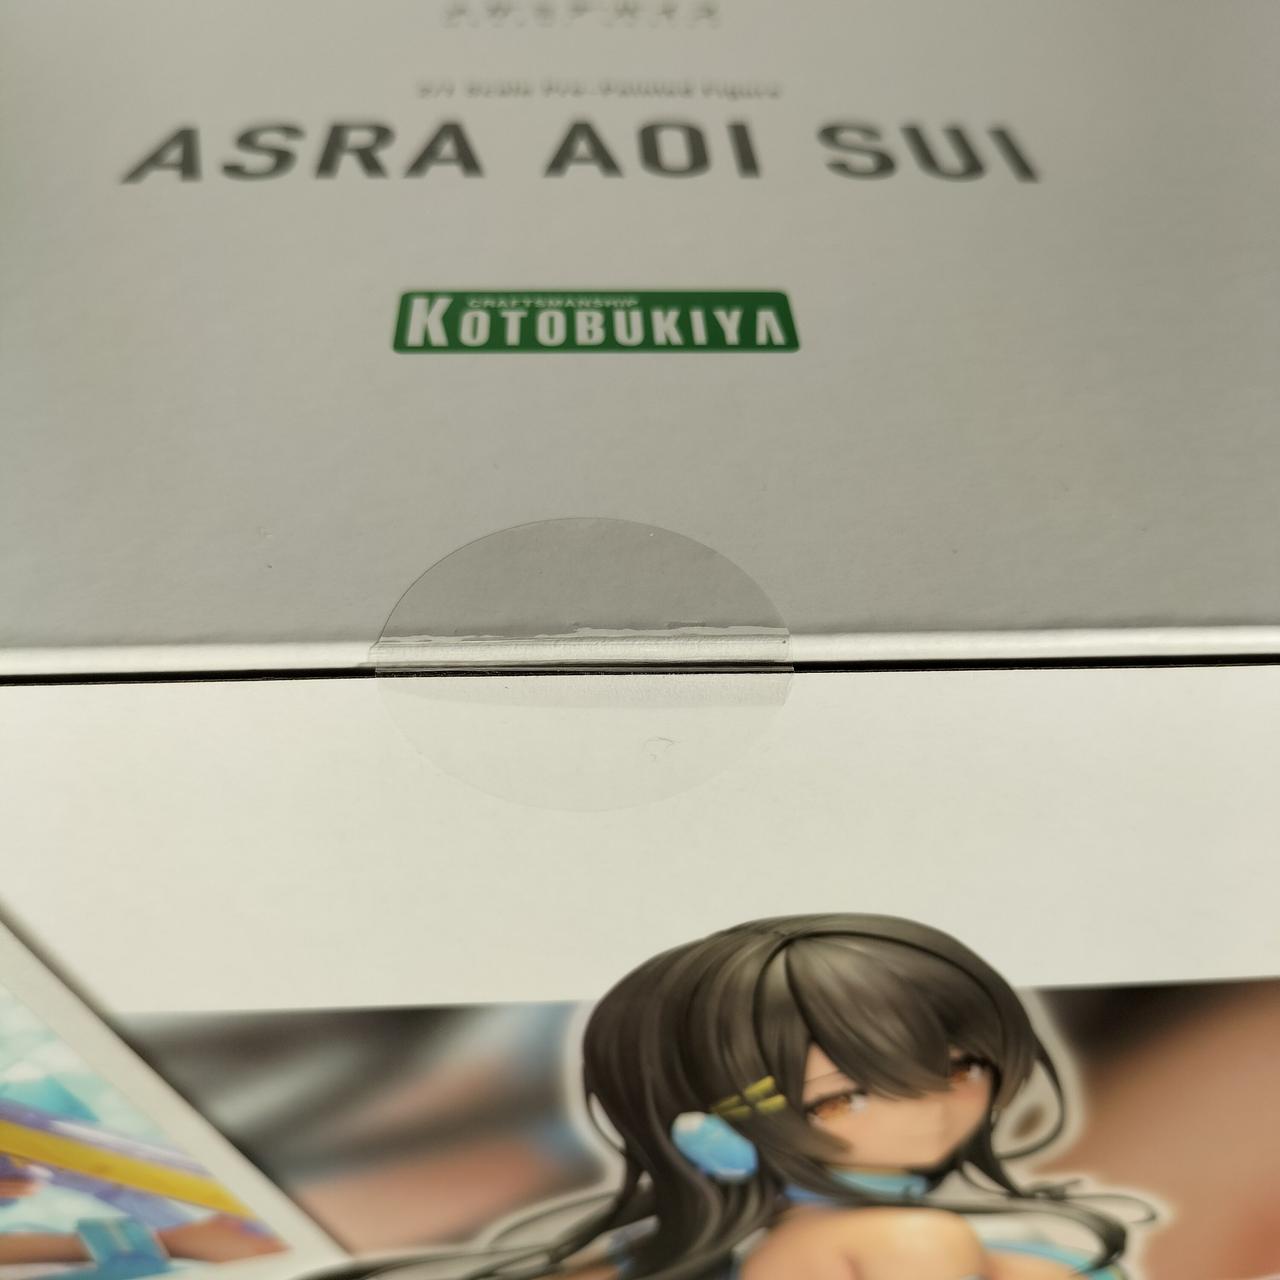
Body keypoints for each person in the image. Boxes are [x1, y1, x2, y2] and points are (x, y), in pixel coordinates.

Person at [451, 915, 1146, 1280]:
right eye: (843, 1099)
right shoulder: (908, 1241)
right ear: (711, 1134)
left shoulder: (865, 1230)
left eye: (960, 1066)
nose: (931, 1107)